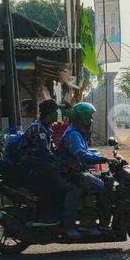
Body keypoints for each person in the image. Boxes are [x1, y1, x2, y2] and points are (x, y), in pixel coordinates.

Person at [17, 99, 82, 239]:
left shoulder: (45, 127)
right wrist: (63, 163)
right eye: (55, 112)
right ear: (49, 113)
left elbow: (50, 152)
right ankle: (50, 218)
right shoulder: (39, 128)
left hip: (35, 164)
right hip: (30, 168)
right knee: (64, 186)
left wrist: (65, 159)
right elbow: (44, 155)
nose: (58, 115)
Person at [57, 102, 113, 234]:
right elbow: (81, 154)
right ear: (82, 117)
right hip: (70, 174)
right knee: (100, 186)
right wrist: (103, 159)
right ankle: (86, 224)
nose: (92, 120)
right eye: (90, 116)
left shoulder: (78, 132)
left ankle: (92, 221)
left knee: (103, 179)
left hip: (76, 171)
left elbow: (86, 152)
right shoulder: (73, 134)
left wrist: (102, 158)